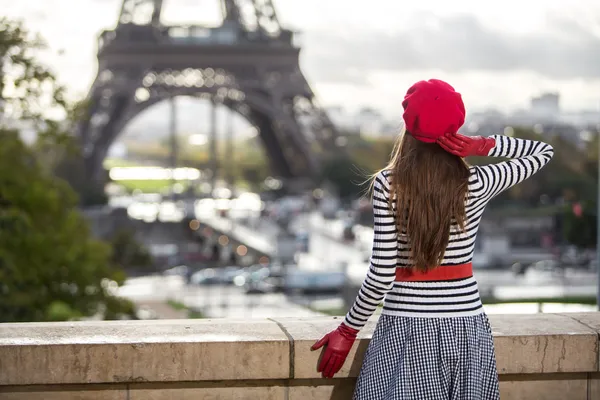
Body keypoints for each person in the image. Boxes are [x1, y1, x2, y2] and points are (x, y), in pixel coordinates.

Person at [311, 79, 554, 400]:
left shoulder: (389, 184)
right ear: (457, 125)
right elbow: (543, 151)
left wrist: (347, 329)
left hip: (407, 327)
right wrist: (482, 145)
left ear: (408, 124)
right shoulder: (479, 181)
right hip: (468, 328)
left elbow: (383, 272)